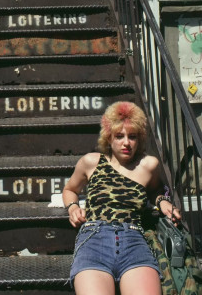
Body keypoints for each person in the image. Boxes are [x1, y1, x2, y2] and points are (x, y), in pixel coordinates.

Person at [62, 101, 181, 295]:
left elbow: (155, 190)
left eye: (132, 137)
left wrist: (163, 201)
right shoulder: (91, 162)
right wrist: (73, 208)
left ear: (139, 139)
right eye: (119, 136)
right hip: (94, 239)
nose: (126, 142)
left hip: (134, 240)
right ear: (109, 138)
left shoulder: (148, 165)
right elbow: (70, 189)